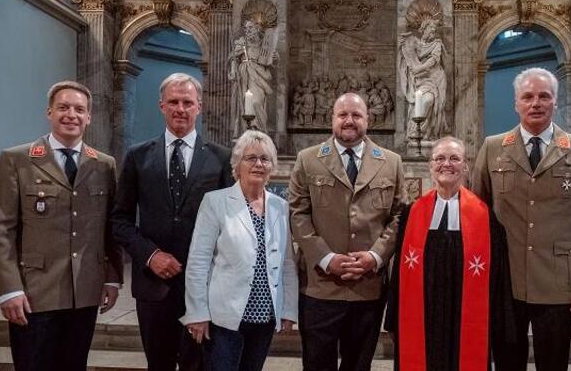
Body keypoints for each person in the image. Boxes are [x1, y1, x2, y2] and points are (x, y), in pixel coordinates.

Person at [0, 80, 123, 371]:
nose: (71, 115)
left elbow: (110, 227)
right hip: (34, 291)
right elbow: (1, 228)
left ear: (89, 117)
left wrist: (112, 277)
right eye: (63, 107)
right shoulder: (17, 159)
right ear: (49, 112)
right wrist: (8, 289)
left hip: (84, 290)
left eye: (79, 109)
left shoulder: (104, 164)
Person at [473, 67, 571, 371]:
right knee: (507, 361)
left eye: (544, 96)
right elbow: (477, 215)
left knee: (554, 362)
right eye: (527, 97)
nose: (536, 103)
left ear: (556, 102)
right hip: (506, 277)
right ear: (516, 103)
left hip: (558, 279)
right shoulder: (493, 148)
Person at [111, 72, 234, 371]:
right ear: (161, 106)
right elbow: (119, 220)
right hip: (154, 285)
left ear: (199, 107)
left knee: (199, 365)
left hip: (204, 287)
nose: (181, 108)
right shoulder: (138, 156)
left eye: (188, 102)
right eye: (174, 102)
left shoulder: (222, 159)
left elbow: (231, 224)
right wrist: (151, 255)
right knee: (159, 364)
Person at [289, 92, 405, 371]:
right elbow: (297, 214)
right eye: (343, 115)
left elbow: (399, 216)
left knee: (358, 365)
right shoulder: (308, 159)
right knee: (317, 364)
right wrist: (327, 259)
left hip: (368, 287)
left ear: (368, 119)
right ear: (333, 119)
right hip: (320, 287)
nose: (349, 121)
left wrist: (375, 257)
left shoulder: (391, 162)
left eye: (356, 115)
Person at [385, 136, 514, 370]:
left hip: (467, 318)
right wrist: (393, 316)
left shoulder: (485, 217)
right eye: (440, 158)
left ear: (465, 166)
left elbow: (498, 276)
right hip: (423, 317)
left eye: (455, 158)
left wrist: (499, 321)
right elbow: (399, 275)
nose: (447, 164)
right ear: (431, 166)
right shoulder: (412, 213)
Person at [182, 130, 299, 371]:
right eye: (251, 158)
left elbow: (287, 263)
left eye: (265, 159)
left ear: (272, 166)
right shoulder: (215, 201)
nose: (258, 164)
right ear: (238, 164)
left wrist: (288, 310)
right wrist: (196, 312)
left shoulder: (280, 207)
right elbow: (198, 261)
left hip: (264, 316)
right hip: (224, 316)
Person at [398, 17, 447, 139]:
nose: (433, 31)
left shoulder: (436, 44)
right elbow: (406, 55)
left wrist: (420, 68)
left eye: (435, 29)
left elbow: (433, 60)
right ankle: (416, 134)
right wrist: (402, 44)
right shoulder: (414, 42)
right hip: (417, 80)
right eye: (431, 28)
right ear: (424, 28)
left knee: (428, 100)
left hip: (434, 79)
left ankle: (421, 131)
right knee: (419, 102)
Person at [229, 19, 276, 132]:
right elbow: (233, 59)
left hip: (259, 76)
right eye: (246, 28)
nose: (247, 31)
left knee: (256, 102)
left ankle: (260, 129)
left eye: (250, 28)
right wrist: (233, 70)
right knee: (244, 103)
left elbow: (272, 63)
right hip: (244, 75)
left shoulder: (265, 44)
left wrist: (274, 59)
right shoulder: (241, 42)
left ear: (257, 29)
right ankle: (248, 129)